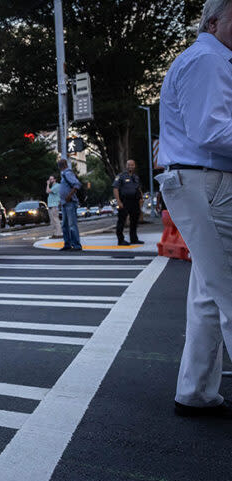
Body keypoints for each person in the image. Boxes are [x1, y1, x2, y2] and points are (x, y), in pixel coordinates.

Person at [157, 0, 232, 419]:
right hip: (209, 183)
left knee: (209, 293)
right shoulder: (209, 59)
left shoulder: (203, 58)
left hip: (197, 182)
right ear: (214, 21)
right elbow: (213, 130)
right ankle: (197, 392)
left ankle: (197, 392)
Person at [113, 159, 144, 245]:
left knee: (134, 220)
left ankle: (134, 238)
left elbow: (138, 188)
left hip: (134, 201)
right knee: (121, 221)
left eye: (132, 165)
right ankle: (120, 240)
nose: (131, 166)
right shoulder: (121, 176)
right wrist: (118, 201)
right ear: (126, 166)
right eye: (129, 165)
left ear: (135, 166)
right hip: (124, 201)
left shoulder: (136, 177)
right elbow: (115, 189)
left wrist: (141, 198)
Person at [57, 159, 82, 251]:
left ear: (62, 166)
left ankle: (76, 245)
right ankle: (67, 243)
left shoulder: (67, 173)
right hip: (65, 203)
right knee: (65, 225)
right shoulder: (64, 174)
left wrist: (69, 196)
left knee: (72, 224)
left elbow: (77, 184)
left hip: (70, 202)